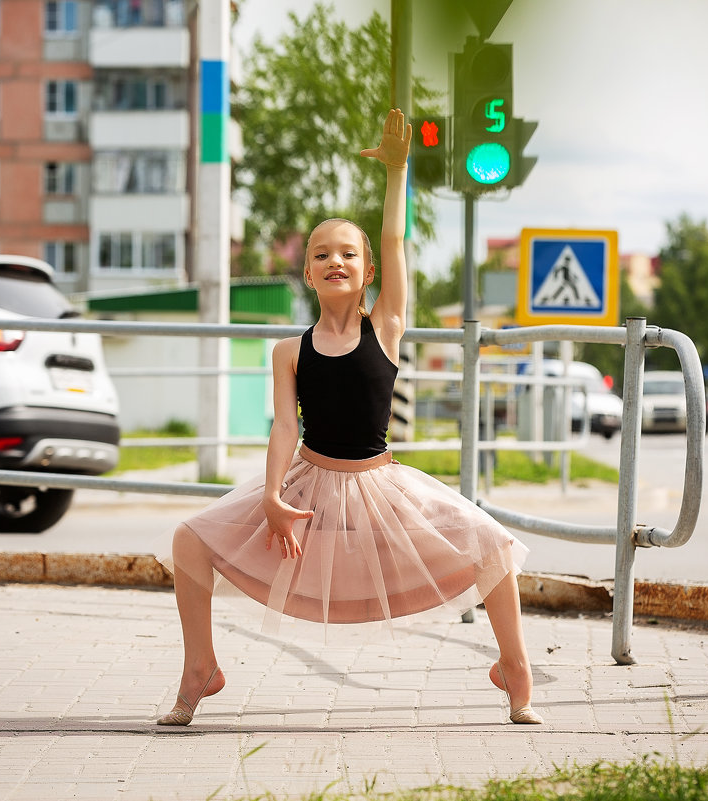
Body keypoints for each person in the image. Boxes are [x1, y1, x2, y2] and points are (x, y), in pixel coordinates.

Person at [156, 108, 541, 727]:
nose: (335, 261)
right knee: (189, 540)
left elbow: (394, 240)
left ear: (366, 273)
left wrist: (397, 171)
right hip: (308, 482)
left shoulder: (385, 327)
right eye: (321, 254)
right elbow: (285, 428)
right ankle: (201, 667)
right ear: (307, 271)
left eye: (348, 254)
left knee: (492, 543)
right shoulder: (289, 351)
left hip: (380, 483)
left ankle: (514, 666)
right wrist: (274, 497)